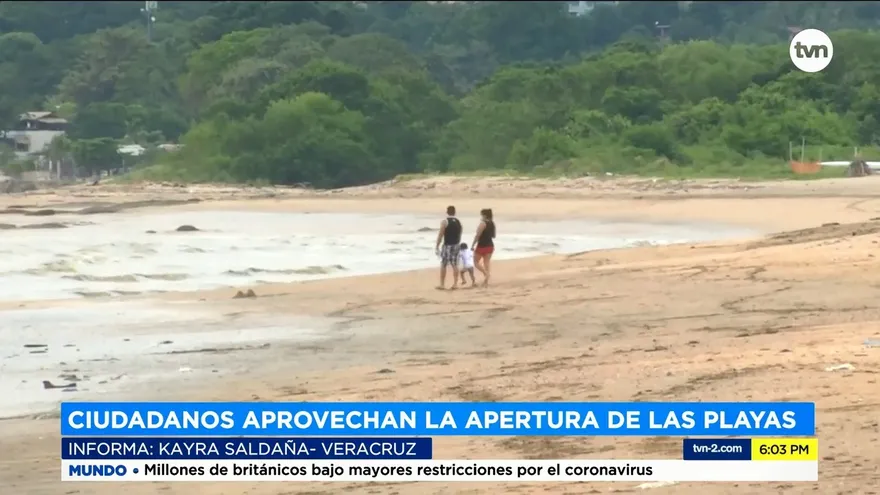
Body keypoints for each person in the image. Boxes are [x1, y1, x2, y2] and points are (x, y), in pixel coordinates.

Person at [434, 205, 462, 290]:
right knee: (455, 264)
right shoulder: (458, 222)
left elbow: (441, 234)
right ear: (454, 212)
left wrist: (437, 245)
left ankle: (442, 284)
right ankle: (455, 284)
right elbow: (460, 234)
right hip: (456, 245)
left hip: (447, 245)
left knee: (443, 264)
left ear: (447, 212)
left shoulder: (445, 221)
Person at [472, 208, 495, 288]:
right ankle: (486, 281)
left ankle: (486, 274)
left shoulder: (483, 223)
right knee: (486, 263)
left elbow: (478, 235)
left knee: (475, 261)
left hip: (482, 245)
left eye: (482, 215)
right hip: (490, 245)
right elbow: (493, 236)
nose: (481, 216)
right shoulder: (492, 223)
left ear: (484, 215)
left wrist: (472, 244)